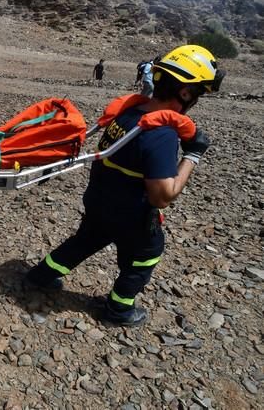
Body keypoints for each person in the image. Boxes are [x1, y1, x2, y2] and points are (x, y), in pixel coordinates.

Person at [23, 45, 225, 326]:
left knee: (85, 240)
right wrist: (192, 155)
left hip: (99, 200)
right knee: (146, 255)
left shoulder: (131, 113)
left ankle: (41, 276)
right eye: (199, 92)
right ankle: (119, 310)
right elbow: (162, 197)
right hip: (131, 215)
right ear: (185, 93)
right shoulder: (161, 134)